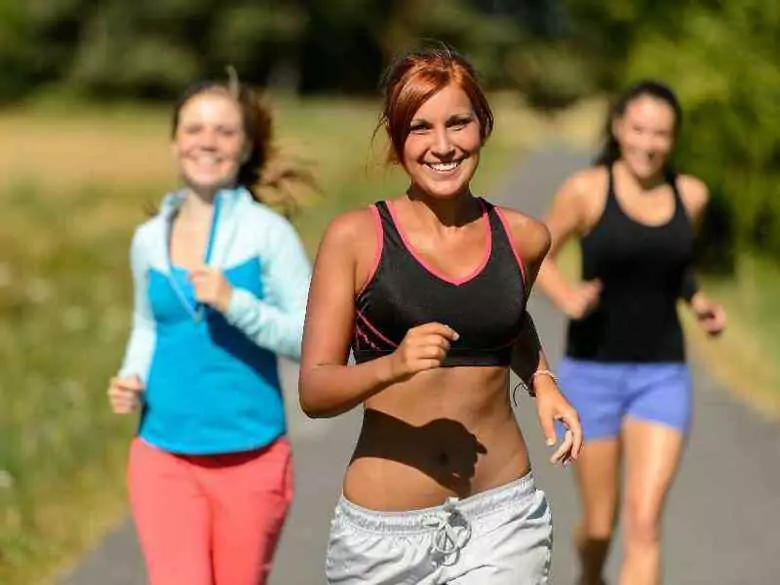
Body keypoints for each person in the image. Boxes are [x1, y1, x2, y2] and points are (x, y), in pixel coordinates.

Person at [298, 46, 582, 585]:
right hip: (383, 537)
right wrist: (393, 365)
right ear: (398, 139)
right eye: (421, 128)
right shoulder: (355, 238)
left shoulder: (524, 237)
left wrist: (543, 381)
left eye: (459, 122)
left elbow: (505, 318)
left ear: (483, 126)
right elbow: (314, 391)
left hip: (503, 518)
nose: (443, 145)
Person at [107, 71, 313, 585]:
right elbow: (147, 324)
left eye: (224, 132)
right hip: (163, 455)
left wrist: (235, 303)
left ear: (244, 148)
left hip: (252, 458)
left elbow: (311, 339)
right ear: (176, 140)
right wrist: (131, 375)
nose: (207, 142)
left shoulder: (269, 234)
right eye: (195, 128)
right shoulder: (148, 240)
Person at [536, 80, 727, 585]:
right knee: (600, 527)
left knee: (644, 524)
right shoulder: (587, 189)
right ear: (619, 128)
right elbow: (537, 257)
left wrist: (700, 302)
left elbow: (675, 267)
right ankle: (590, 575)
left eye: (660, 133)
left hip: (662, 375)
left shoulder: (691, 195)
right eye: (638, 129)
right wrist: (567, 298)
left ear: (673, 138)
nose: (648, 143)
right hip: (591, 374)